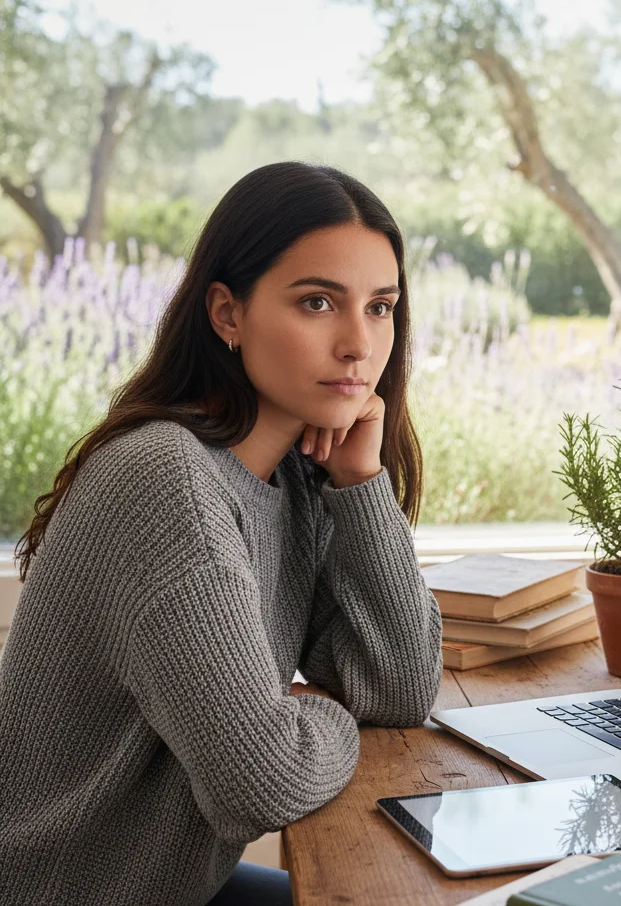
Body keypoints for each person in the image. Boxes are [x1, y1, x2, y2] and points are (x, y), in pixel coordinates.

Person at [0, 161, 444, 905]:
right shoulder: (165, 480)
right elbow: (261, 782)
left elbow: (399, 684)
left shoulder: (296, 480)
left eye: (380, 307)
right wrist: (324, 709)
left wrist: (361, 484)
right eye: (317, 302)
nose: (358, 345)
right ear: (227, 314)